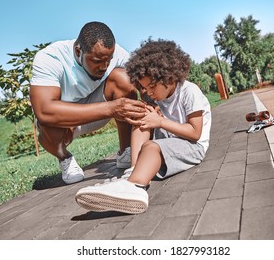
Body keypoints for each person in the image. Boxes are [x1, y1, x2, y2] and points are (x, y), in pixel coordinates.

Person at [75, 38, 212, 214]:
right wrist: (152, 114)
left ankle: (136, 187)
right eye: (145, 88)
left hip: (193, 147)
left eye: (152, 86)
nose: (149, 92)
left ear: (169, 77)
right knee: (143, 117)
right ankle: (131, 173)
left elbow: (195, 133)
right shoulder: (157, 97)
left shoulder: (189, 91)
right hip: (170, 141)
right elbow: (151, 119)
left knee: (151, 146)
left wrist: (160, 122)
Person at [29, 22, 147, 185]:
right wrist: (112, 108)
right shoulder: (50, 58)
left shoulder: (117, 53)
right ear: (78, 51)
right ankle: (65, 158)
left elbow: (147, 83)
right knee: (46, 121)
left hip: (98, 109)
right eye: (97, 61)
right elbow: (44, 110)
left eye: (108, 60)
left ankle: (125, 151)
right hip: (63, 122)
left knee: (124, 80)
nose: (104, 67)